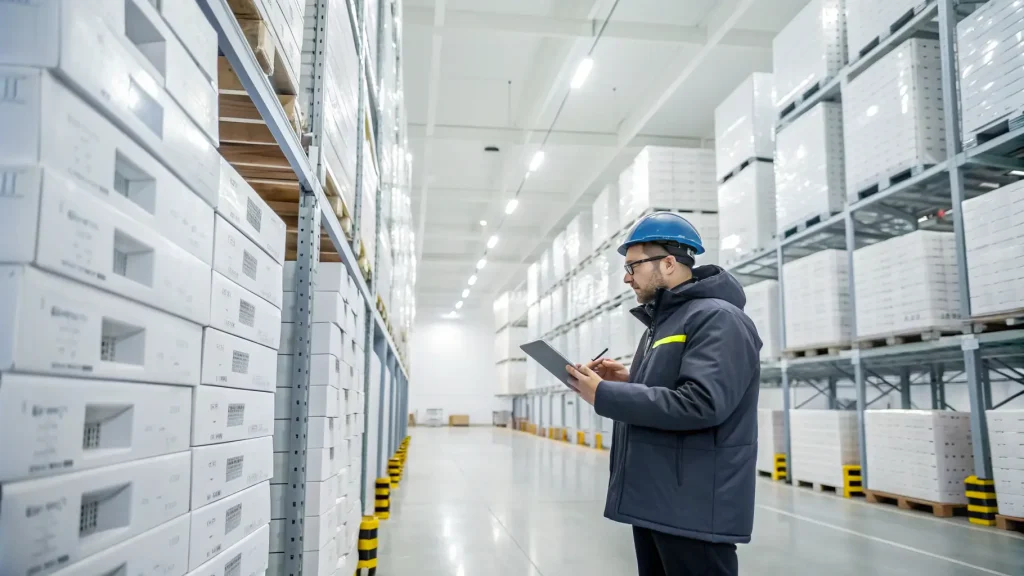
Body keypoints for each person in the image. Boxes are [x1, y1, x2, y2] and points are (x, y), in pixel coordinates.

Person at [566, 211, 761, 576]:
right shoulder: (665, 323)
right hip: (659, 500)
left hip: (694, 507)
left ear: (669, 263)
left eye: (633, 266)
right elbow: (671, 387)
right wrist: (630, 378)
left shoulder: (718, 318)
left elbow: (701, 403)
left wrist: (605, 395)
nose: (627, 277)